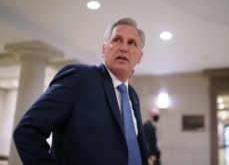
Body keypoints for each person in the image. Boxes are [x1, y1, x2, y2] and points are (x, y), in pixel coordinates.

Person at [13, 17, 149, 165]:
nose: (124, 48)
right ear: (104, 49)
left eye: (131, 43)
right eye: (117, 40)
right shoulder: (80, 77)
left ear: (139, 57)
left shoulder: (133, 96)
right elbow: (27, 131)